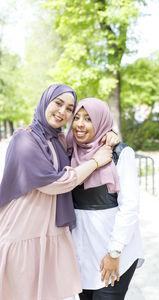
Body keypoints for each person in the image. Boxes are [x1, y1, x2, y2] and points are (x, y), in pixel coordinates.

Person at [0, 84, 118, 300]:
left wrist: (108, 132)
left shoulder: (59, 139)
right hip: (22, 233)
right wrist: (95, 162)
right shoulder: (24, 139)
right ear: (46, 101)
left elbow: (88, 134)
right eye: (58, 103)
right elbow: (54, 184)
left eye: (69, 108)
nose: (62, 112)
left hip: (48, 234)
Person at [68, 98, 144, 300]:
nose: (80, 124)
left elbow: (130, 207)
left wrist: (114, 252)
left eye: (89, 118)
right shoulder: (68, 151)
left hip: (112, 254)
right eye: (76, 117)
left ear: (101, 121)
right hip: (81, 256)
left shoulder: (120, 153)